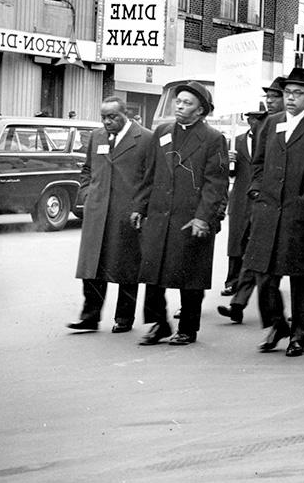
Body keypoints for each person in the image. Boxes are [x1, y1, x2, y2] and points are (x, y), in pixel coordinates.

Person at [241, 67, 304, 358]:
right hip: (268, 213)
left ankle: (298, 335)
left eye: (298, 93)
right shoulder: (271, 123)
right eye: (287, 93)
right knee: (264, 275)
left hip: (302, 216)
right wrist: (257, 191)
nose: (291, 98)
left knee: (301, 279)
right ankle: (276, 323)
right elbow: (257, 164)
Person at [130, 82, 229, 345]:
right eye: (179, 101)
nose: (180, 106)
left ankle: (187, 328)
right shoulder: (162, 132)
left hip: (192, 219)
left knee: (191, 275)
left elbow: (216, 183)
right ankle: (159, 323)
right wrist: (140, 207)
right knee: (152, 271)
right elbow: (148, 173)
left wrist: (203, 217)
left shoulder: (213, 138)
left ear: (201, 111)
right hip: (160, 216)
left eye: (187, 103)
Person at [68, 97, 153, 333]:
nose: (107, 121)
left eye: (112, 116)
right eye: (103, 117)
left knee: (127, 266)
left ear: (126, 114)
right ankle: (90, 317)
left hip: (127, 213)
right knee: (92, 266)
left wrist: (139, 207)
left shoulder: (145, 138)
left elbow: (150, 178)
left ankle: (124, 318)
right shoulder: (97, 137)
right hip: (97, 212)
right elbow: (87, 169)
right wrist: (87, 194)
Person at [217, 108, 267, 322]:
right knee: (236, 241)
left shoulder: (269, 139)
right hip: (240, 198)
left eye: (258, 118)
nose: (254, 122)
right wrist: (229, 162)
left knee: (254, 249)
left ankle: (244, 295)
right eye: (251, 118)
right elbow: (229, 173)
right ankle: (232, 283)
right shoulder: (237, 141)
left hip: (261, 200)